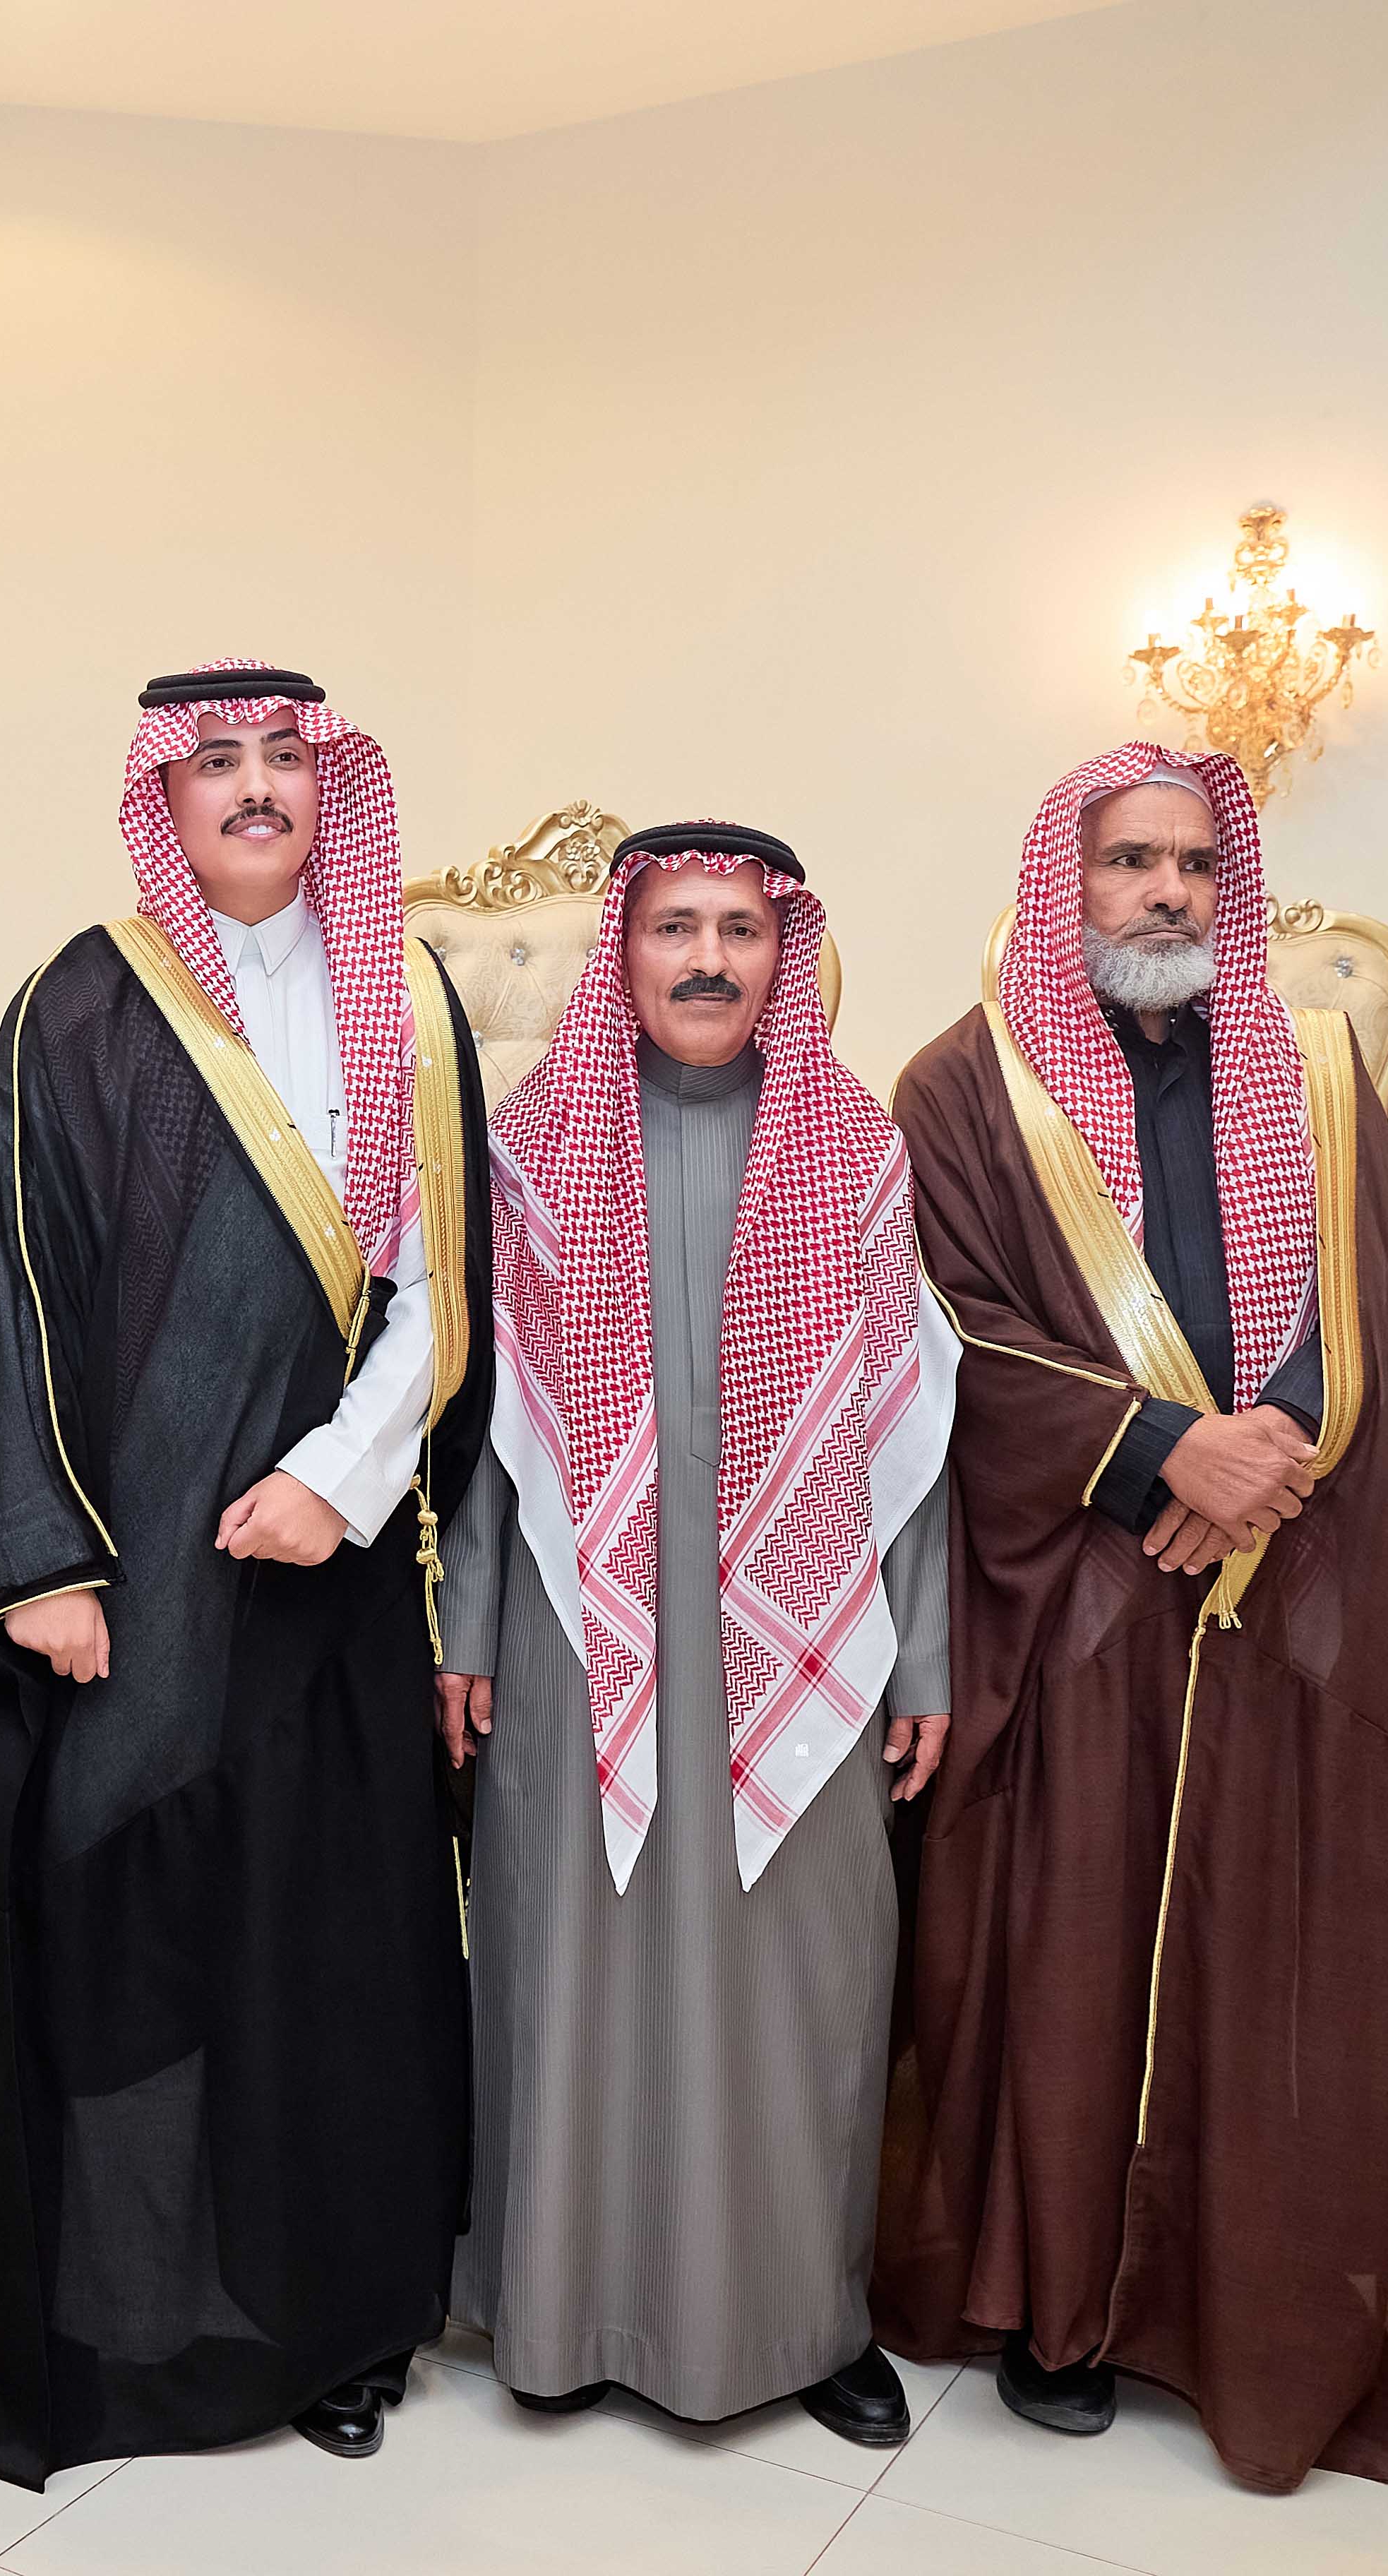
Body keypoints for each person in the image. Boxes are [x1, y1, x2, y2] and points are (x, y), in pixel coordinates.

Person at [869, 742, 1388, 2497]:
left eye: (1194, 863)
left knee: (1279, 1955)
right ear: (1066, 880)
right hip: (1076, 1595)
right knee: (1069, 1950)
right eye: (1130, 860)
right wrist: (1153, 1453)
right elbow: (945, 1327)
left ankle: (1253, 2309)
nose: (1166, 892)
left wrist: (1266, 1451)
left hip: (1291, 1577)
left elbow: (1380, 1298)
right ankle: (1058, 2309)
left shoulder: (1315, 1071)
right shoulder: (963, 1085)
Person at [0, 659, 486, 2486]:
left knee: (325, 1939)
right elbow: (10, 1291)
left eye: (285, 759)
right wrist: (41, 1563)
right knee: (135, 1932)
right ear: (162, 800)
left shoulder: (410, 998)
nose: (255, 788)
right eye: (217, 761)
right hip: (130, 1577)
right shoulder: (78, 1004)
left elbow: (447, 1290)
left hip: (331, 1576)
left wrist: (337, 1479)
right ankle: (135, 2318)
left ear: (332, 789)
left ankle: (332, 2322)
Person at [432, 821, 958, 2450]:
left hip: (806, 1633)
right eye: (676, 928)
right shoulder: (533, 1146)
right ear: (627, 951)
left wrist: (925, 1655)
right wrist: (467, 1628)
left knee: (800, 1980)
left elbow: (906, 1435)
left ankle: (807, 2321)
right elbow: (489, 1428)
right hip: (575, 1634)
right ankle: (564, 2311)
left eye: (739, 929)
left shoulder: (856, 1151)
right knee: (573, 1973)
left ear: (782, 952)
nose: (709, 959)